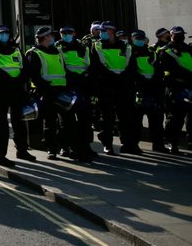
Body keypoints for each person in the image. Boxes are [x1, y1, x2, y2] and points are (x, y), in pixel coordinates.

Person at [0, 25, 33, 166]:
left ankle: (22, 151)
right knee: (1, 126)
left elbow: (26, 69)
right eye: (1, 33)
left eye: (6, 32)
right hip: (0, 93)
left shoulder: (16, 50)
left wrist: (20, 80)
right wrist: (9, 80)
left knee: (19, 123)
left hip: (17, 91)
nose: (4, 35)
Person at [25, 27, 75, 160]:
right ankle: (51, 149)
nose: (52, 37)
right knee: (50, 122)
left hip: (62, 90)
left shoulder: (57, 51)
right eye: (50, 36)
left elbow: (64, 70)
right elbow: (34, 75)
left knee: (67, 121)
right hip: (46, 92)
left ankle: (65, 147)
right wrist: (46, 89)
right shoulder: (34, 53)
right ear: (45, 37)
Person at [90, 21, 136, 155]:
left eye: (104, 31)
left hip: (122, 86)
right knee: (107, 118)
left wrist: (124, 79)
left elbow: (131, 67)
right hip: (106, 86)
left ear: (112, 31)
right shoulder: (96, 46)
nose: (101, 33)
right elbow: (96, 67)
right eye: (101, 31)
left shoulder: (126, 46)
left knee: (125, 117)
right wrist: (111, 77)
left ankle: (128, 144)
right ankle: (108, 144)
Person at [58, 26, 96, 161]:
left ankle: (85, 146)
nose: (65, 35)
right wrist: (72, 76)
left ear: (74, 33)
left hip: (83, 87)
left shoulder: (83, 47)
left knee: (85, 120)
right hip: (67, 86)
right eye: (63, 33)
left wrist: (86, 77)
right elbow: (60, 65)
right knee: (67, 121)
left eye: (68, 33)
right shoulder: (58, 48)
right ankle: (67, 147)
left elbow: (89, 65)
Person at [156, 26, 192, 154]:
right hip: (175, 87)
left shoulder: (188, 49)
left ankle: (190, 143)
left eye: (181, 34)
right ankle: (172, 144)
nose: (180, 36)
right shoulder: (166, 50)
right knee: (175, 118)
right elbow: (173, 68)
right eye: (177, 34)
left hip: (189, 86)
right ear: (171, 35)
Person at [130, 29, 166, 153]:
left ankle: (158, 145)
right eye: (136, 39)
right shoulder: (129, 52)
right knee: (136, 122)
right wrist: (142, 81)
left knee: (156, 120)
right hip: (138, 90)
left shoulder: (151, 52)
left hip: (153, 90)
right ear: (133, 39)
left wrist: (155, 82)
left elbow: (158, 68)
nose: (139, 41)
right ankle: (134, 145)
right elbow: (130, 71)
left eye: (141, 38)